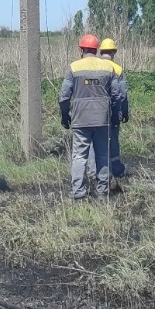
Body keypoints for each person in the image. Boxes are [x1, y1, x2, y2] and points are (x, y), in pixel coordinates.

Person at [59, 33, 121, 200]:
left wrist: (65, 115)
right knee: (102, 155)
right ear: (96, 49)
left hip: (80, 119)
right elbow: (116, 95)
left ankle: (78, 193)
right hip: (102, 119)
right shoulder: (109, 68)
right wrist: (115, 115)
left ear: (81, 49)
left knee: (79, 156)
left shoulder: (73, 67)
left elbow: (64, 96)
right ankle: (102, 192)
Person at [97, 37, 129, 181]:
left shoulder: (94, 66)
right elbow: (122, 93)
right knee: (113, 139)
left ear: (101, 51)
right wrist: (124, 111)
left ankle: (99, 169)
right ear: (113, 52)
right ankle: (116, 168)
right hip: (113, 110)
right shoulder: (117, 69)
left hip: (95, 111)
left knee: (97, 140)